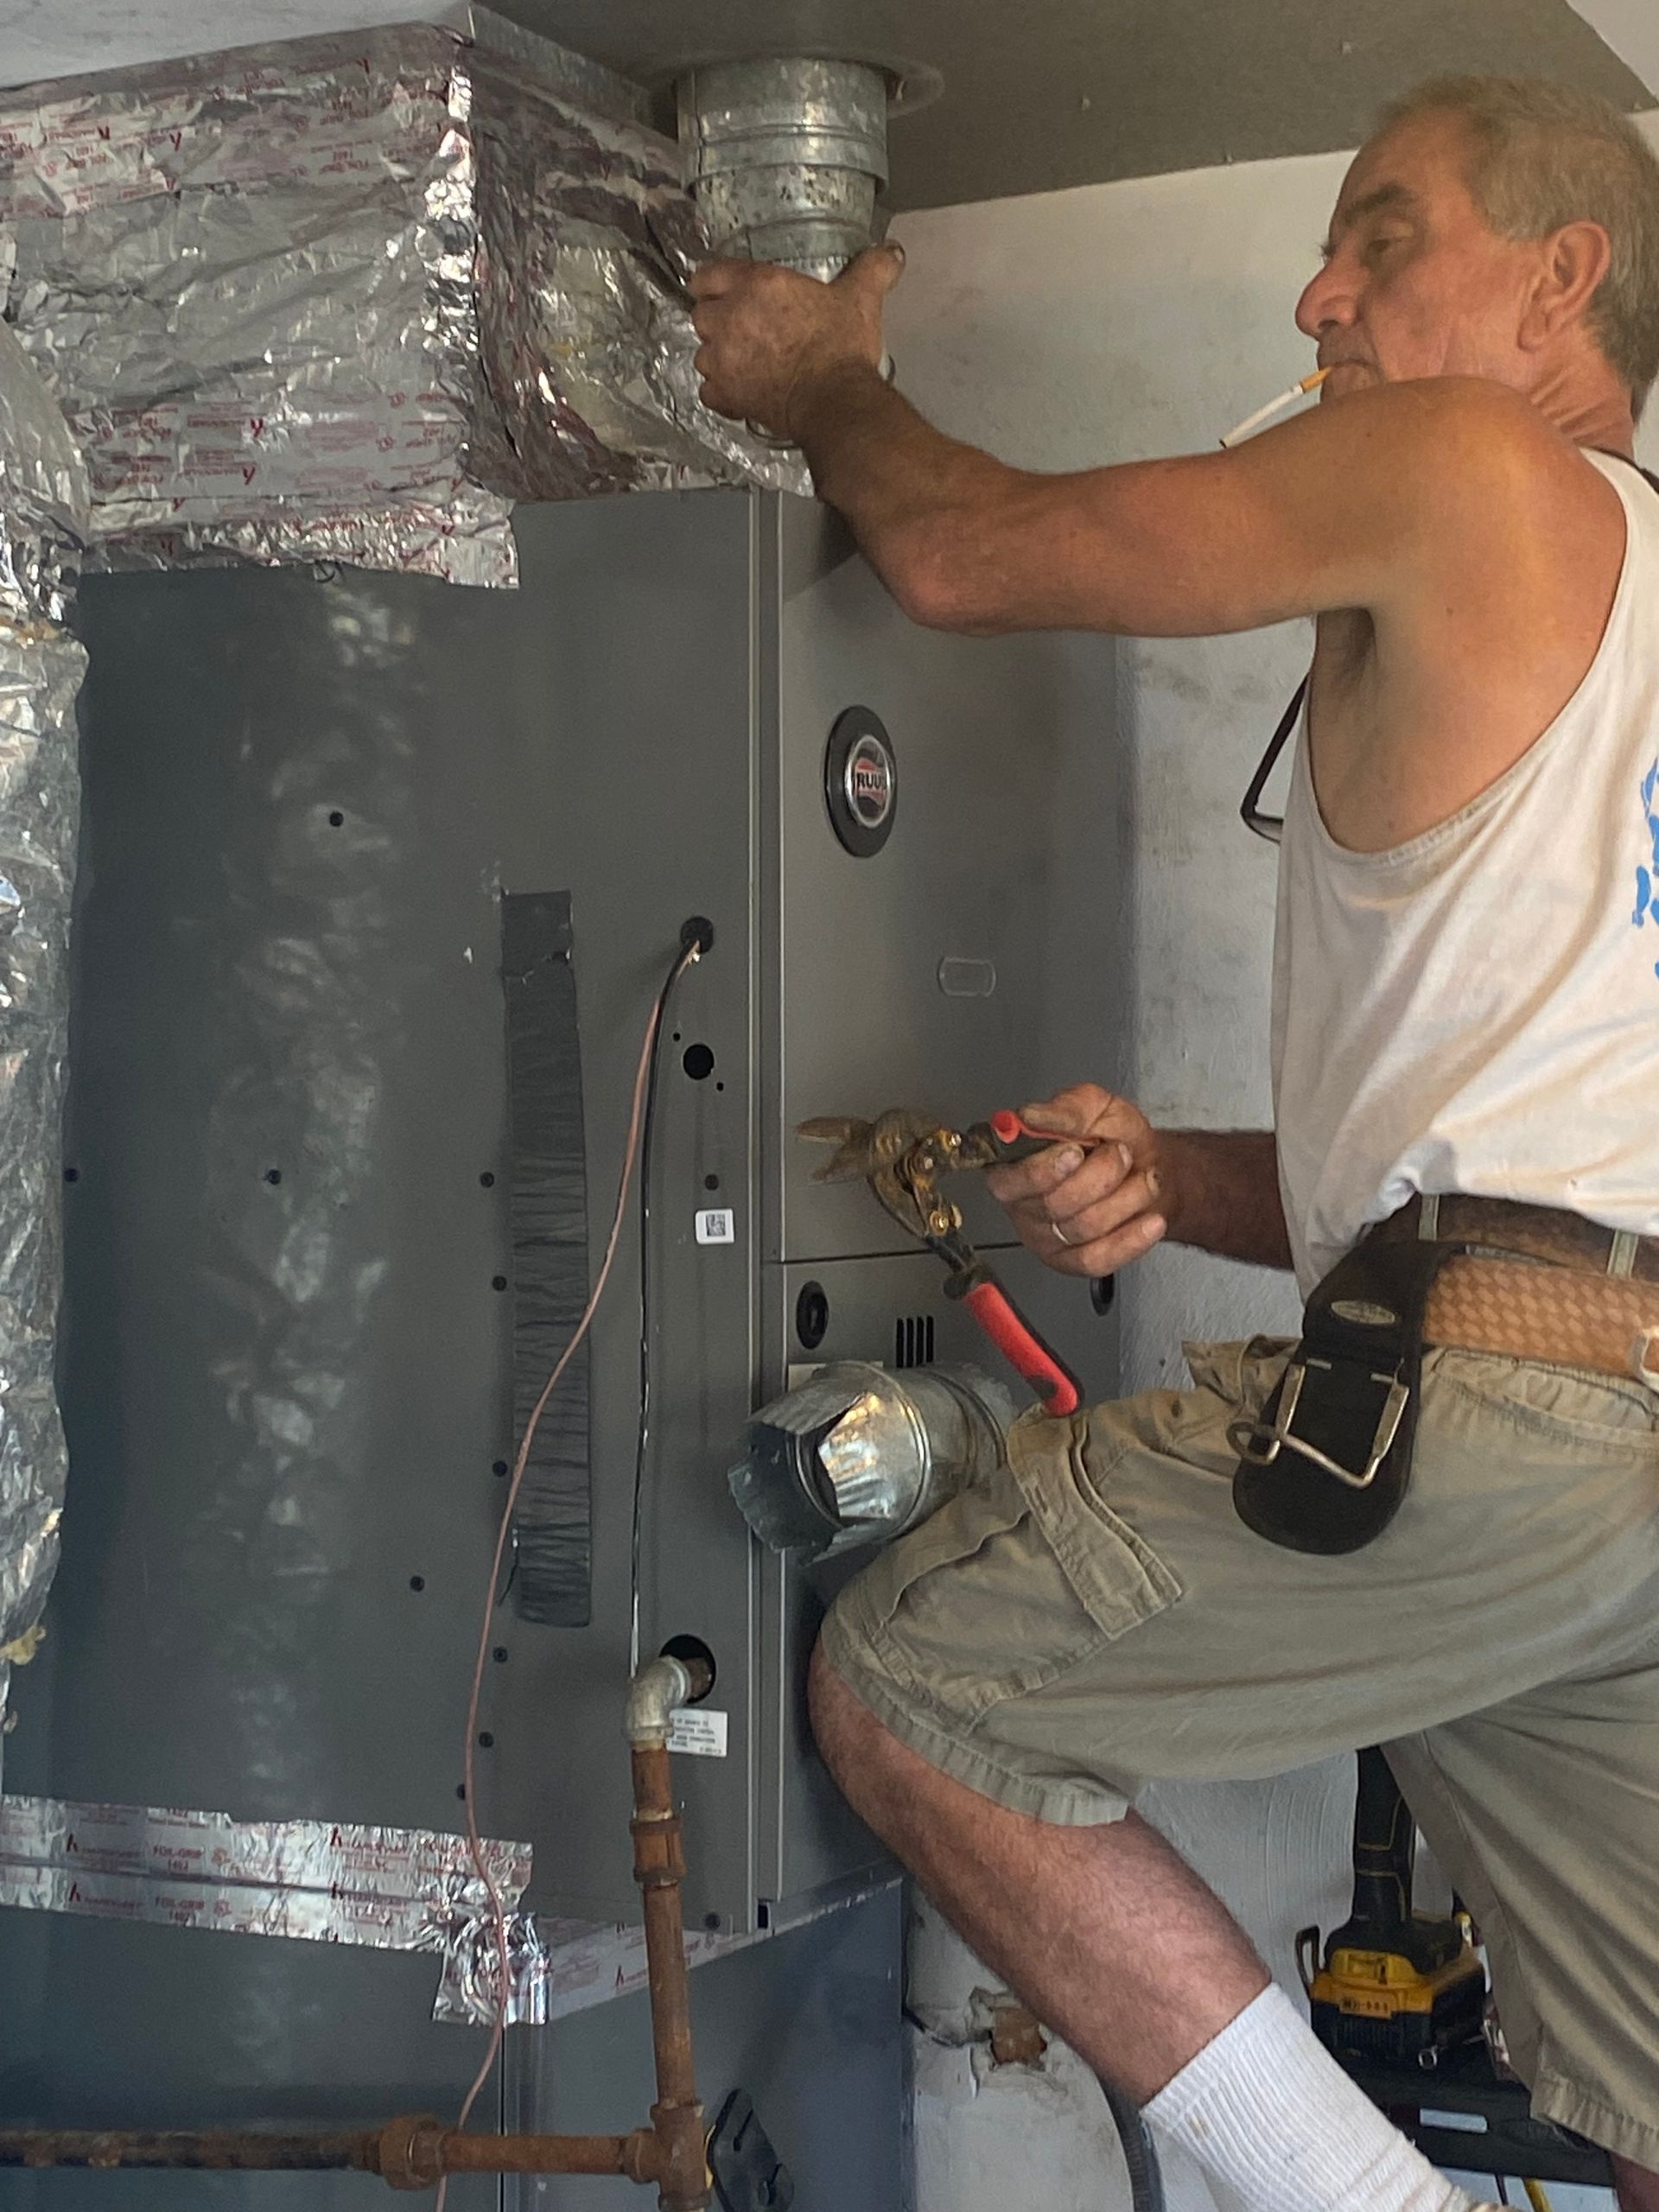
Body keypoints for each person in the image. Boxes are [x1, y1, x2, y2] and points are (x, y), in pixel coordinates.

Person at [690, 75, 1659, 2212]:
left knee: (918, 1690)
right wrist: (1189, 1178)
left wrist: (831, 380)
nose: (1324, 290)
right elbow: (1543, 1139)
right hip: (1626, 1444)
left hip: (1500, 1413)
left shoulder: (1472, 462)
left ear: (1560, 276)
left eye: (1385, 235)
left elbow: (951, 550)